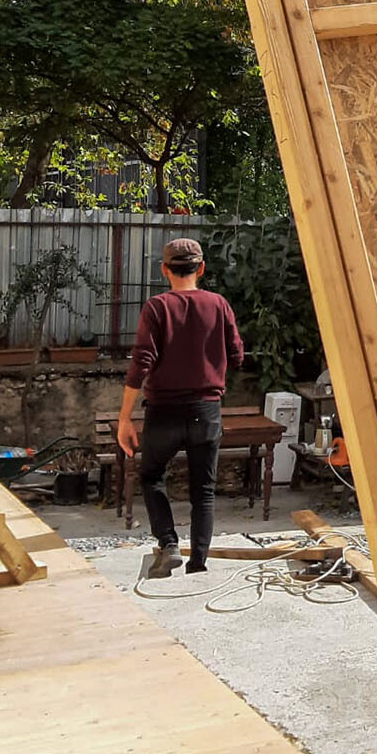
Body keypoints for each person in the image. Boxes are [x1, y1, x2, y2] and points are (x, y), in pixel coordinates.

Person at [117, 237, 245, 578]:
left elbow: (141, 364)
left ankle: (169, 544)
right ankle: (198, 564)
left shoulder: (156, 307)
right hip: (206, 410)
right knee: (203, 490)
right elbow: (237, 357)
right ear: (201, 268)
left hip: (163, 413)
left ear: (164, 269)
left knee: (151, 476)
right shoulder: (219, 305)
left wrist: (125, 417)